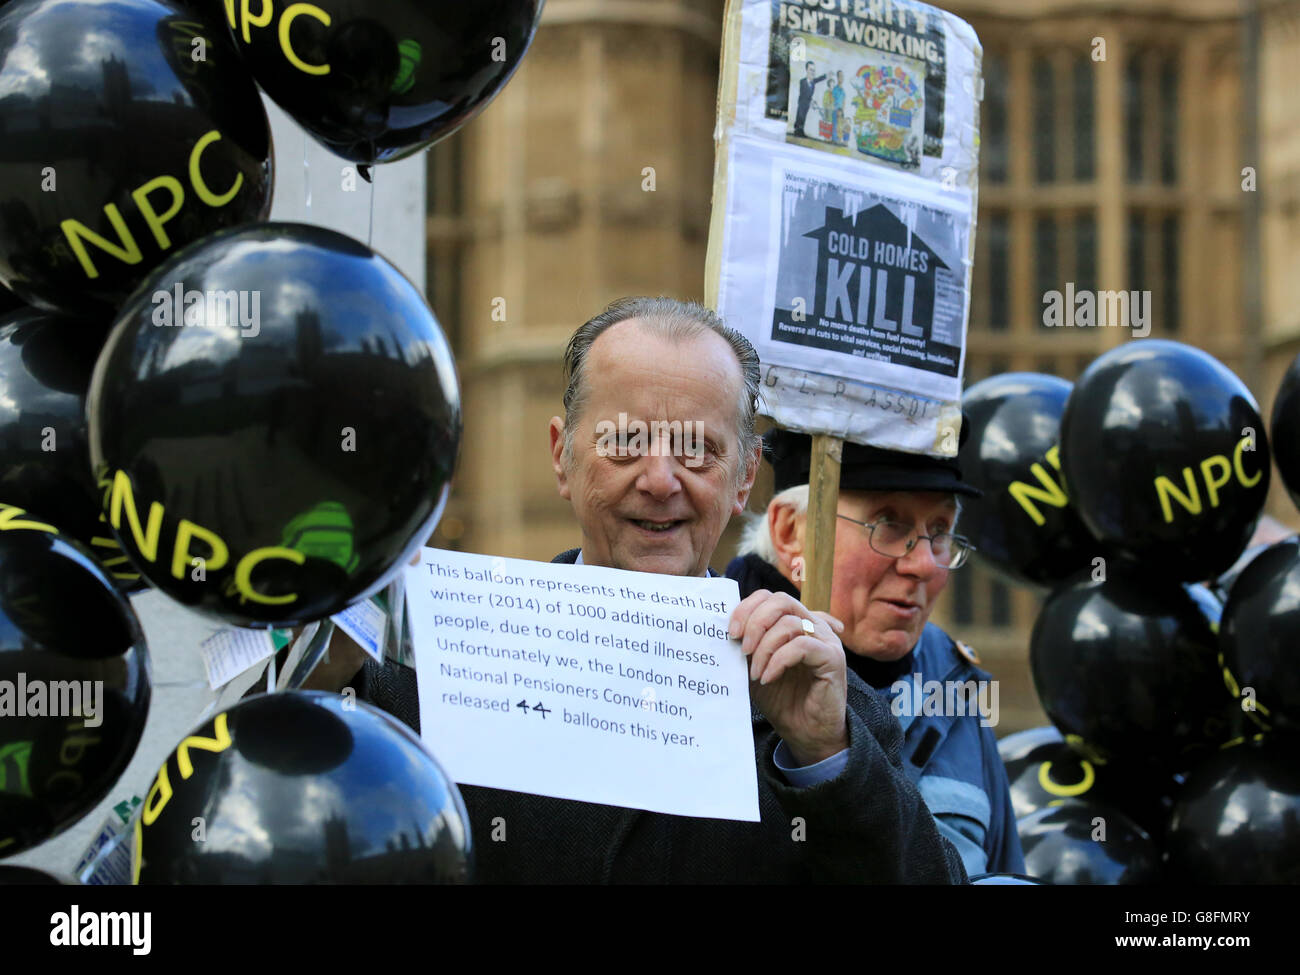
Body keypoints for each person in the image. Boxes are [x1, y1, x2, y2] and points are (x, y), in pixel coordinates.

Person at [321, 297, 968, 884]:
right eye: (625, 441)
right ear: (561, 457)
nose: (660, 480)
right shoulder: (428, 663)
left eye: (697, 451)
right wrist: (318, 666)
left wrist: (826, 756)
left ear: (745, 477)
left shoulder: (827, 703)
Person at [725, 428, 1024, 877]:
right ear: (791, 533)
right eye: (890, 524)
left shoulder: (954, 683)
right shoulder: (706, 671)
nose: (923, 564)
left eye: (940, 531)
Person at [793, 61, 826, 138]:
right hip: (802, 103)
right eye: (811, 69)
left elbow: (818, 79)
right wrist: (811, 101)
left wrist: (826, 76)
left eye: (813, 70)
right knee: (800, 117)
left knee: (803, 117)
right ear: (806, 70)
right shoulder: (802, 82)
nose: (812, 72)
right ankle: (797, 131)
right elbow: (805, 94)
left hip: (807, 104)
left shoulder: (813, 82)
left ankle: (800, 131)